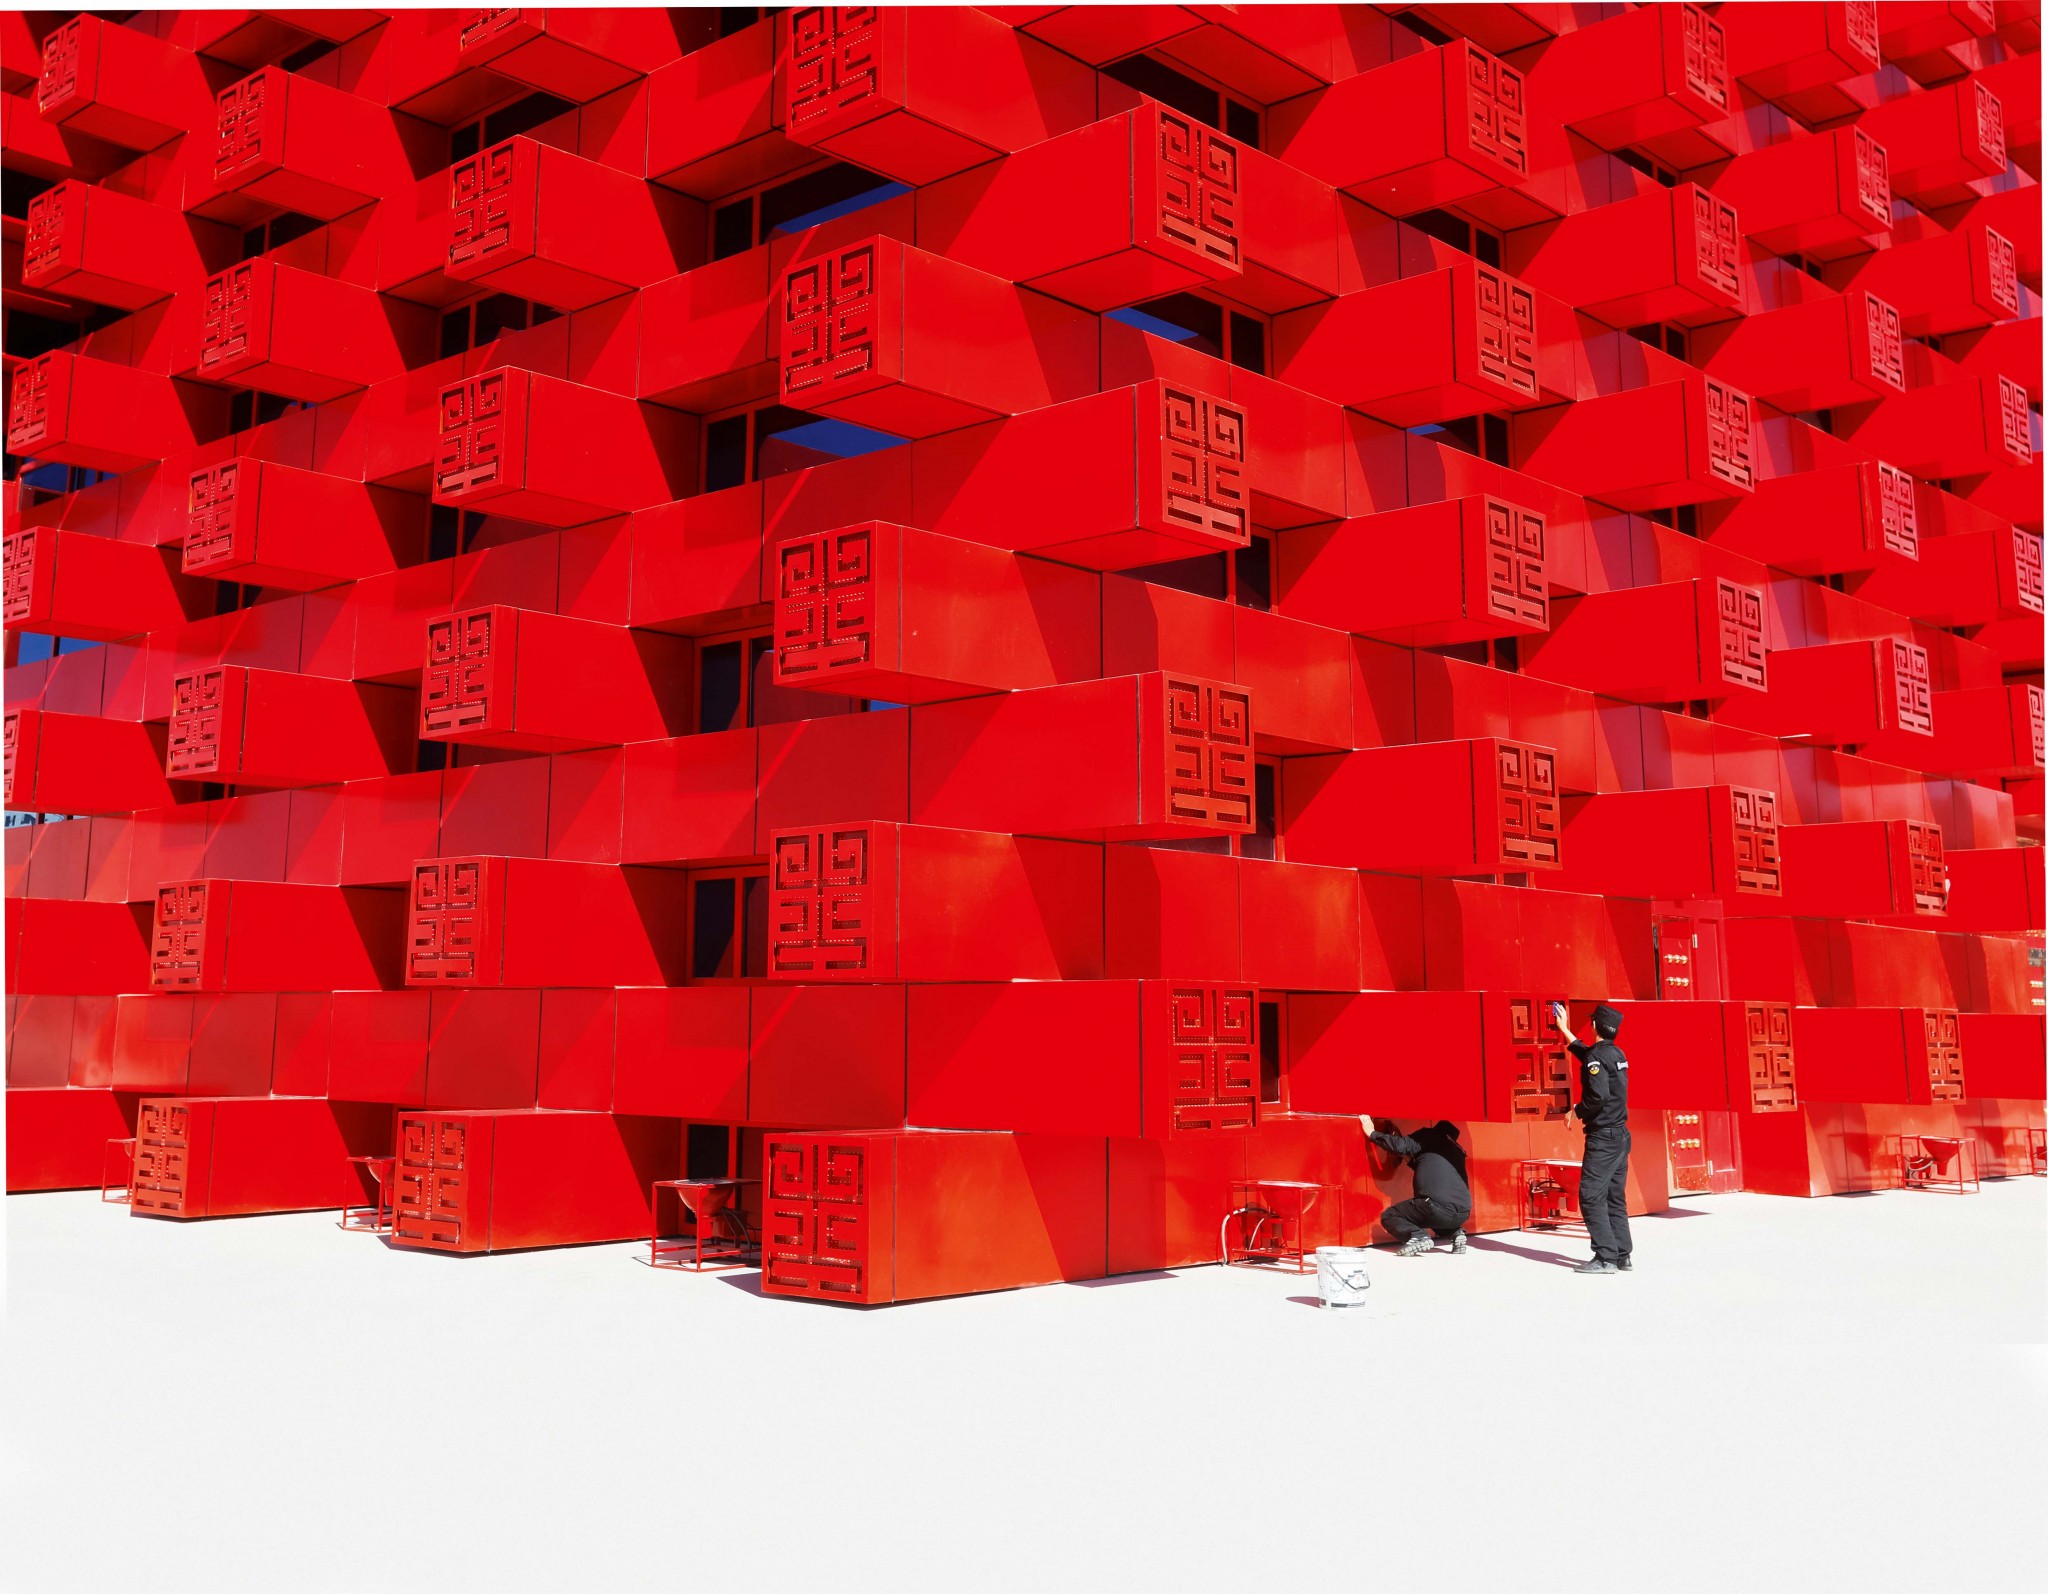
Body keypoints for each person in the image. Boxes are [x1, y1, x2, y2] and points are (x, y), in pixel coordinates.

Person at [1552, 1001, 1632, 1276]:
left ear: (1595, 1025)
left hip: (1604, 1139)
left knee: (1590, 1196)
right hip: (1620, 1137)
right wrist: (1565, 1031)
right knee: (1614, 1197)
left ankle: (1605, 1257)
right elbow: (1589, 1056)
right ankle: (1622, 1255)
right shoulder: (1616, 1053)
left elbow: (1597, 1096)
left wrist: (1575, 1111)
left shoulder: (1597, 1057)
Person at [1360, 1115, 1472, 1257]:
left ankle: (1417, 1236)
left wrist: (1372, 1133)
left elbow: (1401, 1145)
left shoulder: (1431, 1134)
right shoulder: (1456, 1150)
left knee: (1390, 1215)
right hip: (1462, 1213)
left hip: (1436, 1207)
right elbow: (1430, 1167)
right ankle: (1456, 1233)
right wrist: (1409, 1159)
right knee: (1435, 1215)